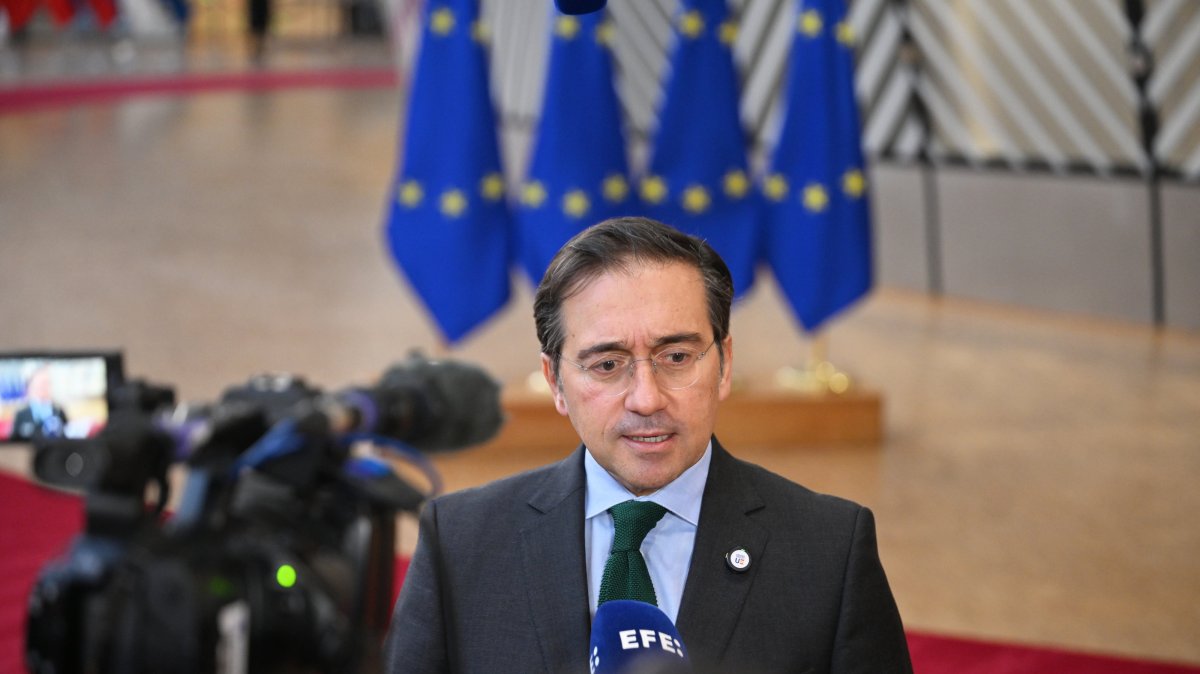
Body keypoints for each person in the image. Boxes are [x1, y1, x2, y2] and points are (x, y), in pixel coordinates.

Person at [383, 216, 912, 673]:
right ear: (555, 382)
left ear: (724, 364)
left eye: (676, 357)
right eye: (607, 364)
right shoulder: (461, 542)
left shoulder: (829, 552)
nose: (646, 398)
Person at [11, 366, 69, 441]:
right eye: (40, 383)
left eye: (46, 383)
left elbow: (68, 440)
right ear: (31, 386)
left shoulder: (59, 412)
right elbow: (13, 443)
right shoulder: (21, 414)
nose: (43, 387)